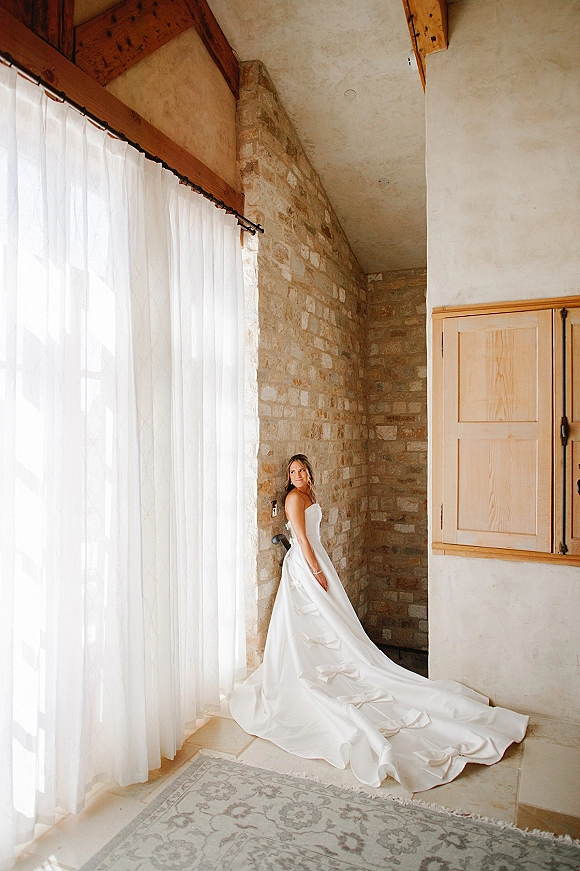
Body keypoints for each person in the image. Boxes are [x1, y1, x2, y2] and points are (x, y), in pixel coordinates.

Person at [230, 454, 528, 792]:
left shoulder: (310, 494)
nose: (297, 475)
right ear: (289, 477)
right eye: (292, 472)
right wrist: (315, 571)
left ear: (310, 472)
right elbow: (300, 538)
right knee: (309, 625)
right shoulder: (293, 499)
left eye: (301, 470)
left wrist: (322, 566)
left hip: (318, 560)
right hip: (305, 566)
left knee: (337, 625)